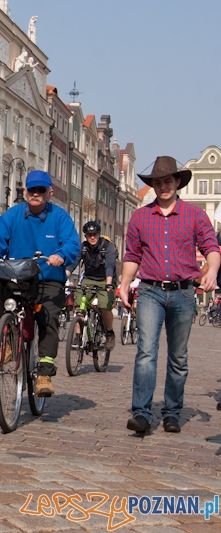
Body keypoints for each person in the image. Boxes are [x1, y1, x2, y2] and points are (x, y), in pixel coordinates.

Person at [120, 156, 219, 434]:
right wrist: (125, 284)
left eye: (167, 181)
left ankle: (172, 411)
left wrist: (211, 271)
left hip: (183, 293)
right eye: (157, 182)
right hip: (150, 290)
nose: (163, 186)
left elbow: (212, 246)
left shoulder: (196, 215)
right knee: (146, 352)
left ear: (177, 182)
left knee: (178, 357)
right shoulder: (140, 216)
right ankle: (141, 413)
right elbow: (132, 255)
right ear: (152, 186)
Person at [0, 170, 80, 396]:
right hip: (17, 275)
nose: (35, 193)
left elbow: (72, 243)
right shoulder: (11, 216)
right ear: (24, 191)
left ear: (49, 193)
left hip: (48, 277)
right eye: (31, 189)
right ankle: (9, 337)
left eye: (40, 190)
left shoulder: (60, 217)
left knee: (48, 316)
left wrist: (62, 255)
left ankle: (44, 373)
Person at [66, 221, 118, 350]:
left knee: (104, 306)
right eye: (89, 235)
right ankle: (78, 335)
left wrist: (109, 284)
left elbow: (109, 266)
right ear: (85, 236)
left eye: (95, 234)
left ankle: (109, 333)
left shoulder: (107, 246)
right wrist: (63, 278)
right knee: (79, 304)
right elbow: (73, 264)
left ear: (99, 234)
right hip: (89, 278)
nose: (92, 237)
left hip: (106, 279)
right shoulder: (83, 247)